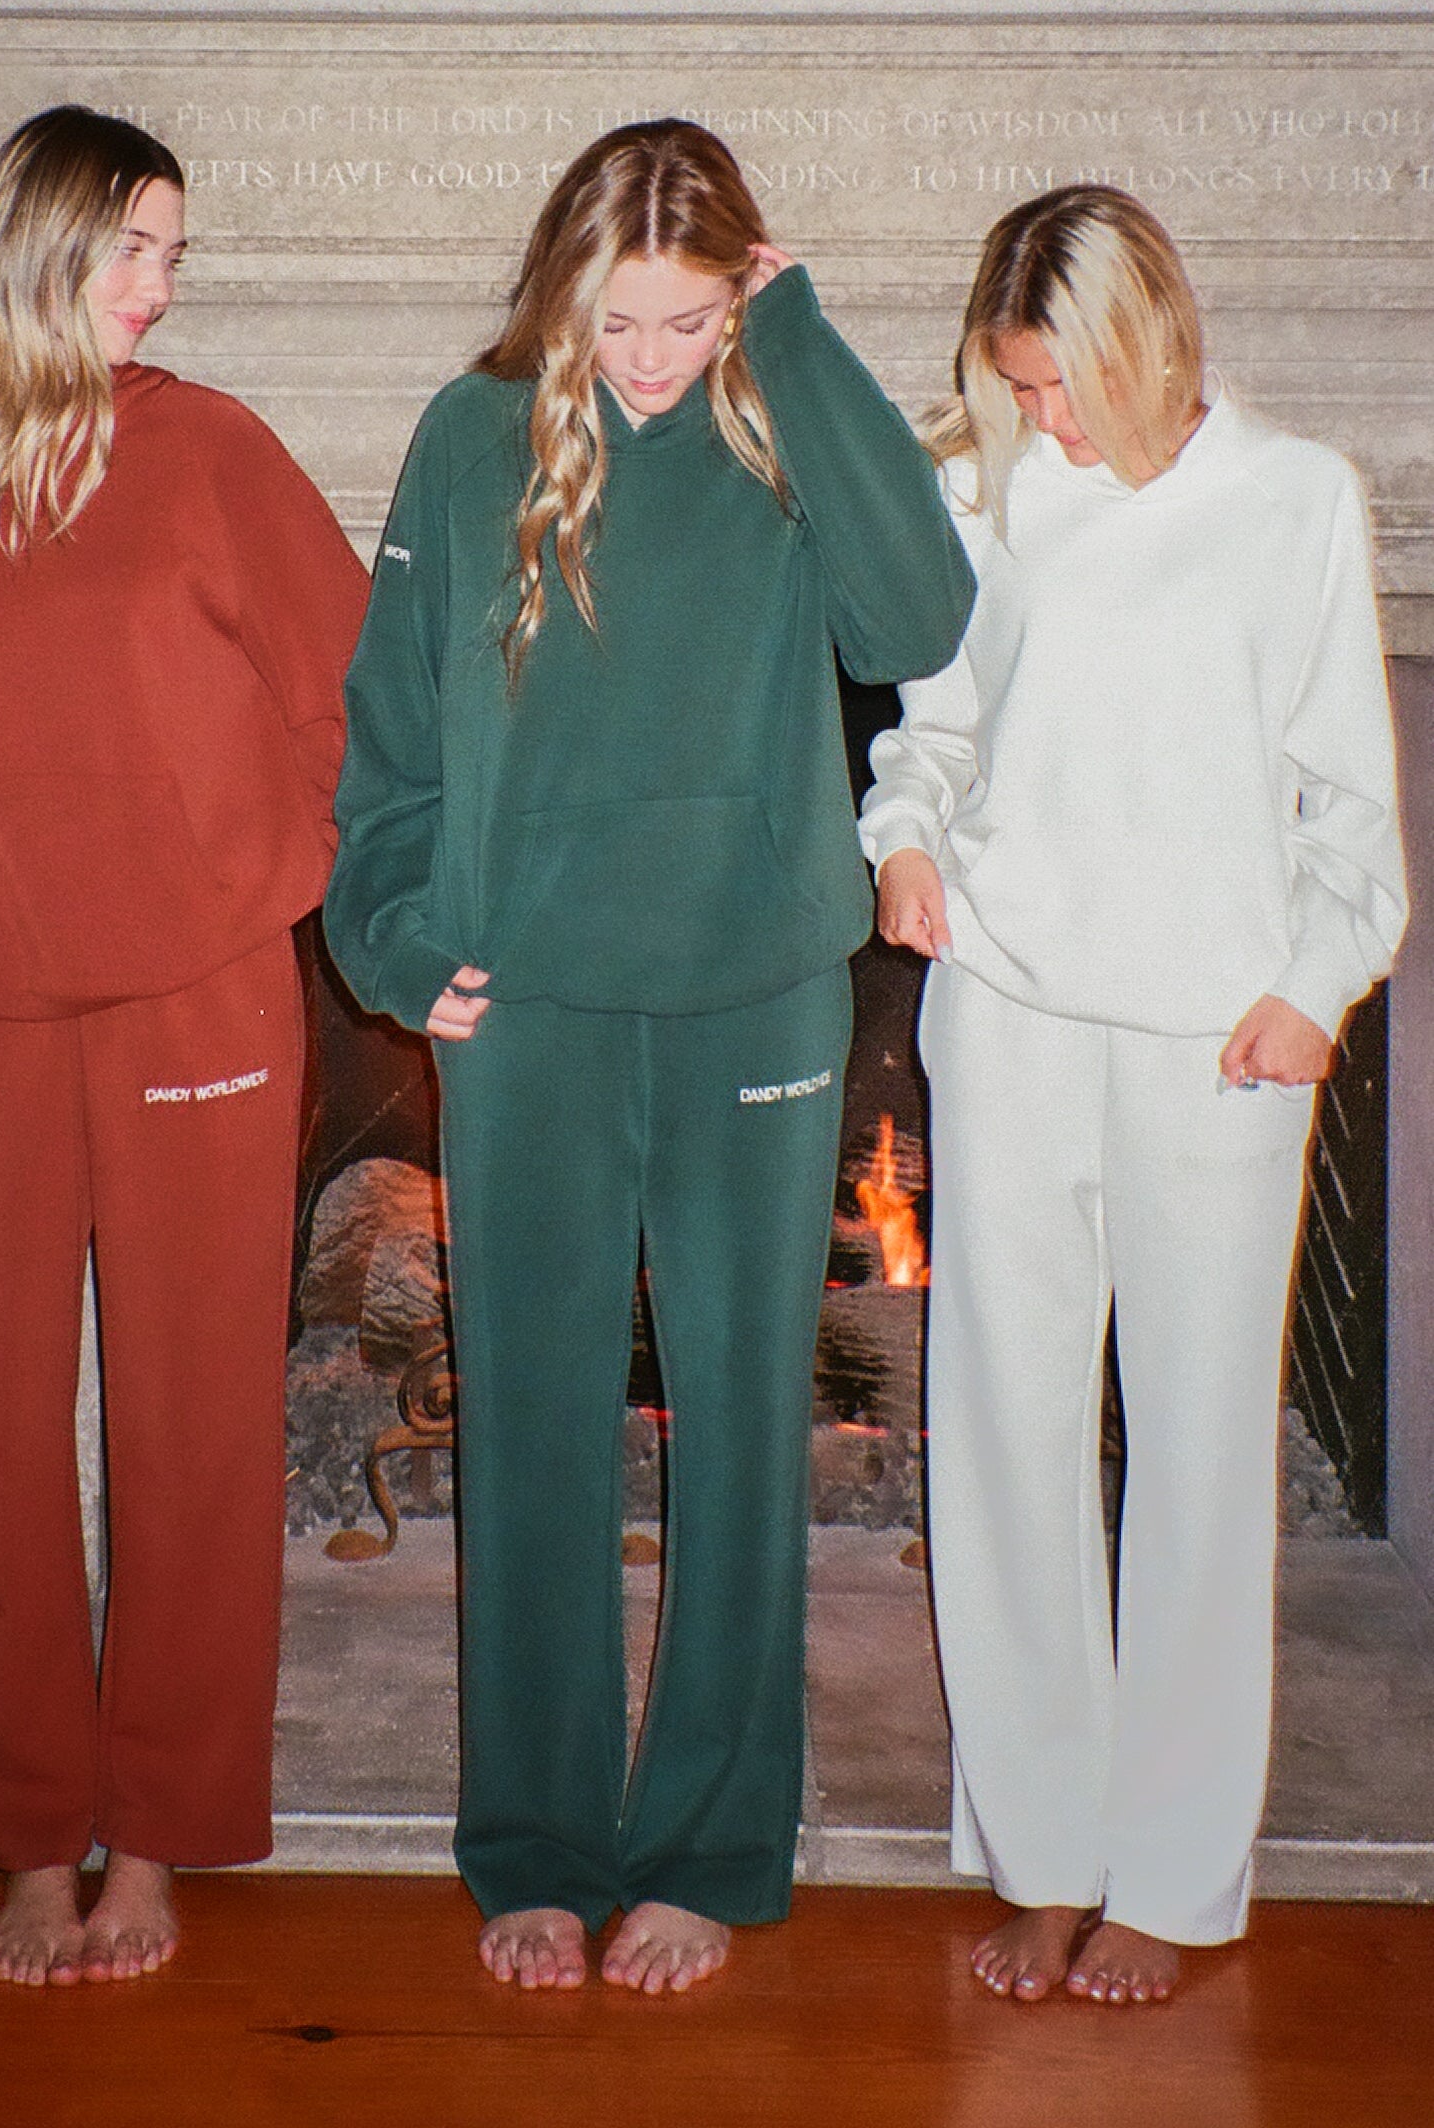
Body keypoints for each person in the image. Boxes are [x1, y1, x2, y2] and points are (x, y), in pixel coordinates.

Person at [325, 118, 974, 1994]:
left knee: (742, 1424)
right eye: (619, 321)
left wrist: (806, 345)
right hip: (521, 1008)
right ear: (562, 289)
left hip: (752, 999)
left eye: (690, 321)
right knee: (526, 1424)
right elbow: (388, 730)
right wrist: (391, 934)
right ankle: (532, 1840)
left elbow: (923, 621)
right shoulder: (471, 440)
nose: (651, 360)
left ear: (739, 299)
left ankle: (706, 1844)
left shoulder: (782, 423)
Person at [0, 107, 368, 1986]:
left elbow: (353, 696)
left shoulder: (211, 451)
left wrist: (257, 865)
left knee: (191, 1432)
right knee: (4, 1424)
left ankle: (164, 1835)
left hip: (203, 998)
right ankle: (28, 1834)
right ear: (39, 245)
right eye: (135, 251)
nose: (160, 288)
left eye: (172, 256)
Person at [859, 184, 1405, 2007]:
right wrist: (904, 848)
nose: (1045, 423)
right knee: (1001, 1442)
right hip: (1004, 1014)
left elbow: (1351, 814)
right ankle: (1040, 1853)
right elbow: (924, 741)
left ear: (1149, 343)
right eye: (1015, 385)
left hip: (1216, 1047)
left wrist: (1307, 988)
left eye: (1066, 384)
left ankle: (1169, 1879)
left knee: (1193, 1459)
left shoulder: (1295, 505)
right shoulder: (982, 490)